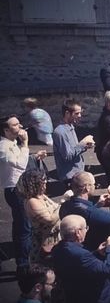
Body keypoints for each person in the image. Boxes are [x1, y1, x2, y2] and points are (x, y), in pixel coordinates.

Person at [1, 115, 47, 273]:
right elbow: (19, 165)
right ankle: (23, 265)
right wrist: (26, 143)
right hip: (15, 190)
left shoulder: (11, 143)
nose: (20, 125)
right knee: (25, 228)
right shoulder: (3, 147)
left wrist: (33, 157)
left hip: (19, 188)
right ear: (6, 130)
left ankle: (22, 259)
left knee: (20, 226)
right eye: (15, 124)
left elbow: (19, 160)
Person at [60, 172, 110, 253]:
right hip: (95, 249)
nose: (95, 186)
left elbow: (84, 214)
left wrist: (97, 205)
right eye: (94, 184)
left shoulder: (66, 206)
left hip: (73, 247)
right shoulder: (89, 212)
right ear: (87, 188)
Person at [18, 168, 61, 264]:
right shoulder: (32, 201)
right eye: (43, 182)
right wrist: (63, 202)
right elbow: (50, 220)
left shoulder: (41, 196)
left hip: (54, 240)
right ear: (35, 184)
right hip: (43, 244)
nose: (45, 184)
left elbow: (55, 208)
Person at [52, 99, 94, 183]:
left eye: (80, 112)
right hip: (70, 176)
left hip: (77, 172)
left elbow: (74, 149)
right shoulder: (60, 132)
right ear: (67, 113)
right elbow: (67, 156)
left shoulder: (70, 126)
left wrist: (86, 145)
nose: (79, 116)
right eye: (77, 113)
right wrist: (82, 143)